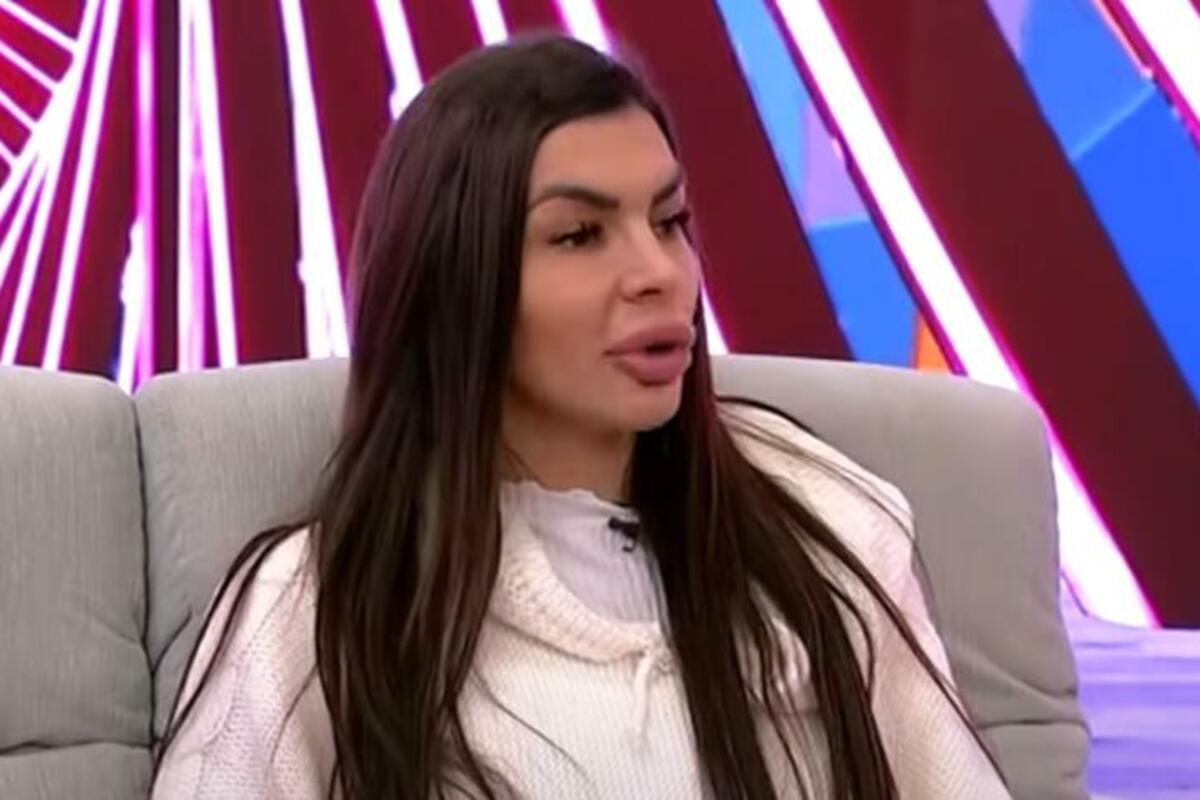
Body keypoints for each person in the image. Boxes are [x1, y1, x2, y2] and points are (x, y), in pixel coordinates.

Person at [151, 34, 1010, 800]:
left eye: (669, 221)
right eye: (579, 236)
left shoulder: (827, 526)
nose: (661, 273)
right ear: (456, 280)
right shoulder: (321, 609)